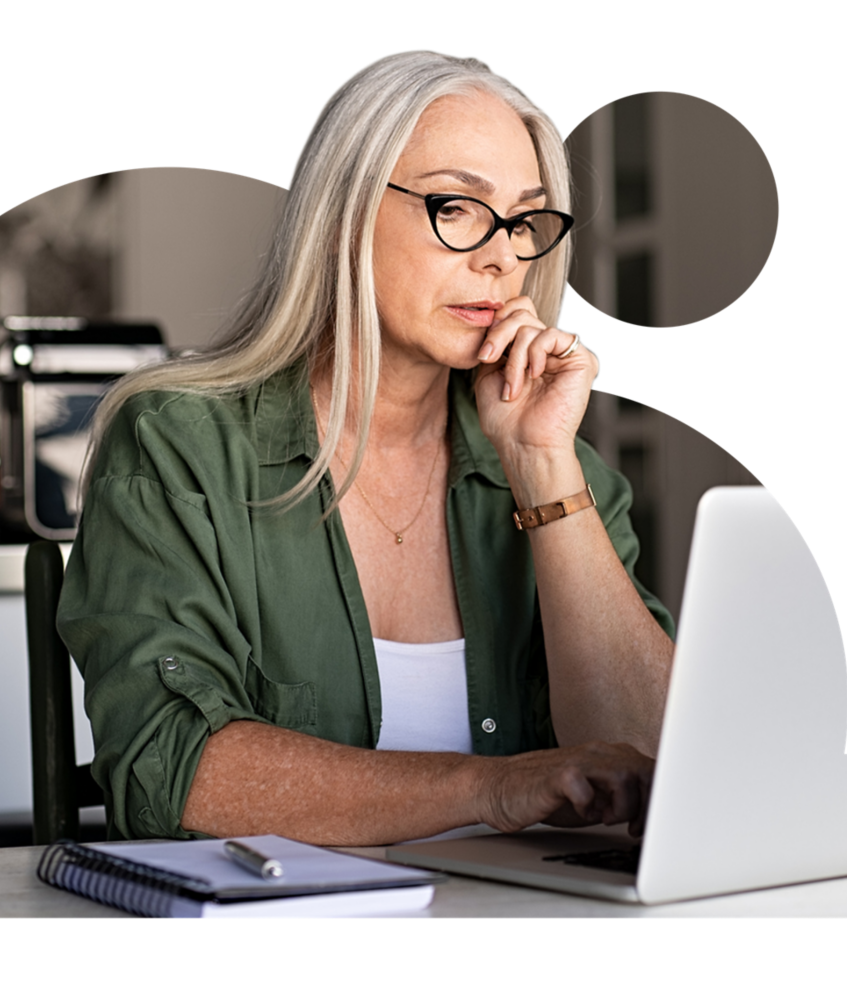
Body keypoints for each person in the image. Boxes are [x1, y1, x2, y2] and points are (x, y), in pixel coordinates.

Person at [58, 50, 676, 847]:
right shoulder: (180, 446)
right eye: (456, 206)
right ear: (345, 210)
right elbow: (170, 773)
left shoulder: (563, 473)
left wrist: (541, 469)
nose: (503, 257)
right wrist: (494, 787)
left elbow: (662, 775)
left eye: (524, 221)